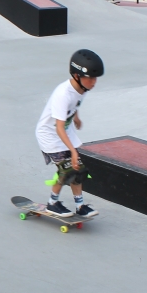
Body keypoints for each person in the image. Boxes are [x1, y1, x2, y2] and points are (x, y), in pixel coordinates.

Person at [35, 50, 102, 220]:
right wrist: (72, 151)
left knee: (78, 170)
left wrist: (76, 117)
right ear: (77, 76)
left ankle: (80, 206)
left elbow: (75, 103)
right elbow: (58, 128)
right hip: (50, 135)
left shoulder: (82, 88)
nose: (94, 82)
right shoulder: (62, 94)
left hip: (66, 132)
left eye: (95, 78)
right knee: (67, 170)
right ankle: (52, 203)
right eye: (91, 78)